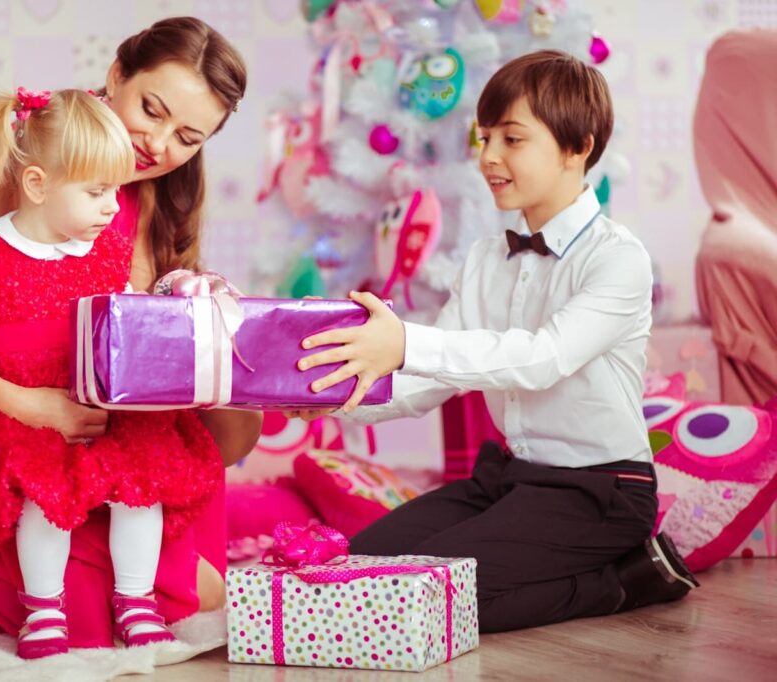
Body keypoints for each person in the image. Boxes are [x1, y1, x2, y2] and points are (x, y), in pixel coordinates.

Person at [0, 17, 261, 649]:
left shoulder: (152, 196)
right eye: (151, 109)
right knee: (169, 591)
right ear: (116, 74)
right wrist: (27, 404)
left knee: (191, 584)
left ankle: (26, 556)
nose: (158, 142)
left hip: (83, 432)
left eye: (187, 136)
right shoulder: (31, 151)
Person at [294, 50, 700, 632]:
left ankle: (622, 581)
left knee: (416, 600)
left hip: (601, 493)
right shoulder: (488, 258)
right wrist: (323, 393)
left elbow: (541, 359)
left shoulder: (618, 259)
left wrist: (405, 341)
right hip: (508, 480)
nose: (489, 159)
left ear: (578, 146)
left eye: (512, 139)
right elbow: (433, 378)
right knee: (353, 573)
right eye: (484, 139)